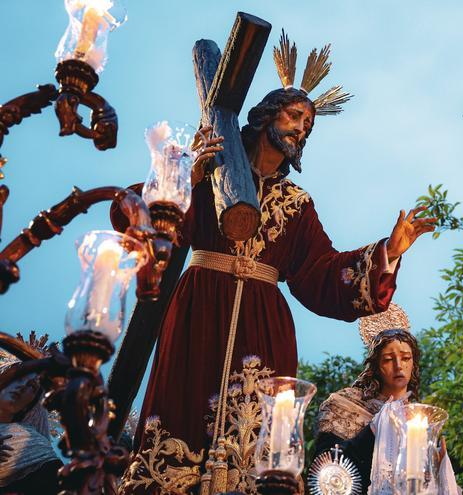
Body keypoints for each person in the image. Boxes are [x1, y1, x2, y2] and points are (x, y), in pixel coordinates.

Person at [120, 32, 437, 493]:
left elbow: (322, 273)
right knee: (180, 419)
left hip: (262, 326)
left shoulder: (296, 204)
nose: (301, 129)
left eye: (308, 124)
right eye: (294, 116)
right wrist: (186, 173)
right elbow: (151, 222)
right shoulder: (210, 171)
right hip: (198, 312)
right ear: (265, 115)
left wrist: (389, 250)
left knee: (254, 452)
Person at [314, 304, 459, 494]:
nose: (399, 366)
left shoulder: (418, 422)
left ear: (413, 363)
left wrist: (437, 468)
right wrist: (374, 430)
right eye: (389, 359)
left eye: (406, 358)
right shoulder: (345, 404)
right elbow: (324, 468)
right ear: (375, 366)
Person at [0, 350, 62, 494]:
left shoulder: (34, 444)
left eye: (32, 386)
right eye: (18, 377)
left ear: (30, 405)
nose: (23, 386)